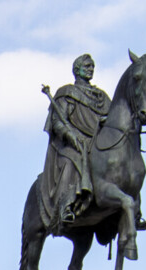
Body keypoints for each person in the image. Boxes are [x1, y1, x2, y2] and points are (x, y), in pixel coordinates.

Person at [41, 54, 111, 228]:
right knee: (72, 161)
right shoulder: (66, 93)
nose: (90, 69)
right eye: (86, 66)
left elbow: (111, 120)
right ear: (76, 70)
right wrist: (70, 135)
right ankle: (66, 205)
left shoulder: (102, 97)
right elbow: (58, 122)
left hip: (97, 143)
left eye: (92, 66)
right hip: (72, 143)